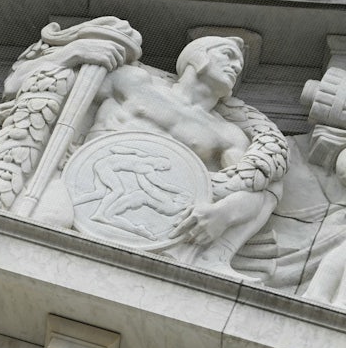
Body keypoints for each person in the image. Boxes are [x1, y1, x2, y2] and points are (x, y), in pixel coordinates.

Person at [85, 36, 285, 277]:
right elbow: (72, 84)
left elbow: (252, 191)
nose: (236, 66)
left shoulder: (226, 134)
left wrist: (223, 214)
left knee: (272, 187)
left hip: (163, 214)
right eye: (228, 55)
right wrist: (74, 52)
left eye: (239, 64)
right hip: (96, 182)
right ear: (197, 55)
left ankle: (213, 258)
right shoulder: (135, 82)